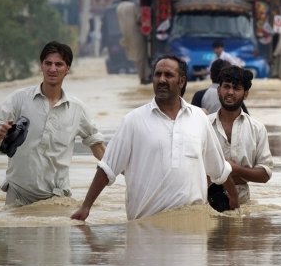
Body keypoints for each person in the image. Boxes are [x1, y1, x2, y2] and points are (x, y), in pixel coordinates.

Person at [71, 56, 232, 221]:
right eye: (157, 74)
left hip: (193, 229)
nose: (161, 80)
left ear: (181, 81)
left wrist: (235, 206)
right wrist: (86, 207)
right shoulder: (133, 120)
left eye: (168, 75)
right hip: (146, 228)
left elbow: (219, 170)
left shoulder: (199, 118)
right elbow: (107, 168)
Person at [0, 41, 105, 206]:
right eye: (48, 63)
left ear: (67, 69)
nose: (52, 69)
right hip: (18, 197)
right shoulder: (19, 99)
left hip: (56, 201)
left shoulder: (77, 109)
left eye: (59, 64)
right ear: (41, 66)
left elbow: (98, 148)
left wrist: (127, 172)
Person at [207, 66, 273, 209]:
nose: (230, 92)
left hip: (242, 205)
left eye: (236, 88)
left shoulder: (257, 129)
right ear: (219, 90)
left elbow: (265, 174)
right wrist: (225, 173)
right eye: (226, 87)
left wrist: (237, 169)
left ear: (246, 93)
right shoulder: (203, 125)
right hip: (205, 202)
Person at [116, 0, 150, 84]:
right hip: (137, 33)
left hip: (126, 35)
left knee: (136, 57)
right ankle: (143, 77)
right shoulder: (132, 6)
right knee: (141, 56)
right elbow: (139, 19)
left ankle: (142, 76)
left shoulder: (118, 8)